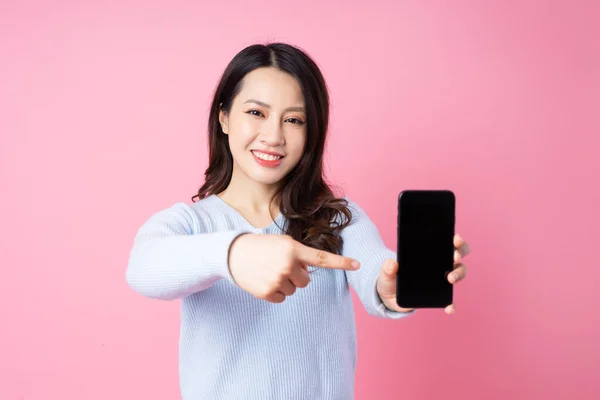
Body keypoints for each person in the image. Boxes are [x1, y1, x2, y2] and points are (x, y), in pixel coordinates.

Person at [126, 42, 470, 400]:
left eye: (293, 120)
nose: (274, 136)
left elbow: (374, 270)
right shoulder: (191, 225)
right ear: (224, 117)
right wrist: (233, 253)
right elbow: (143, 268)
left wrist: (393, 287)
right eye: (256, 113)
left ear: (311, 133)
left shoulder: (337, 218)